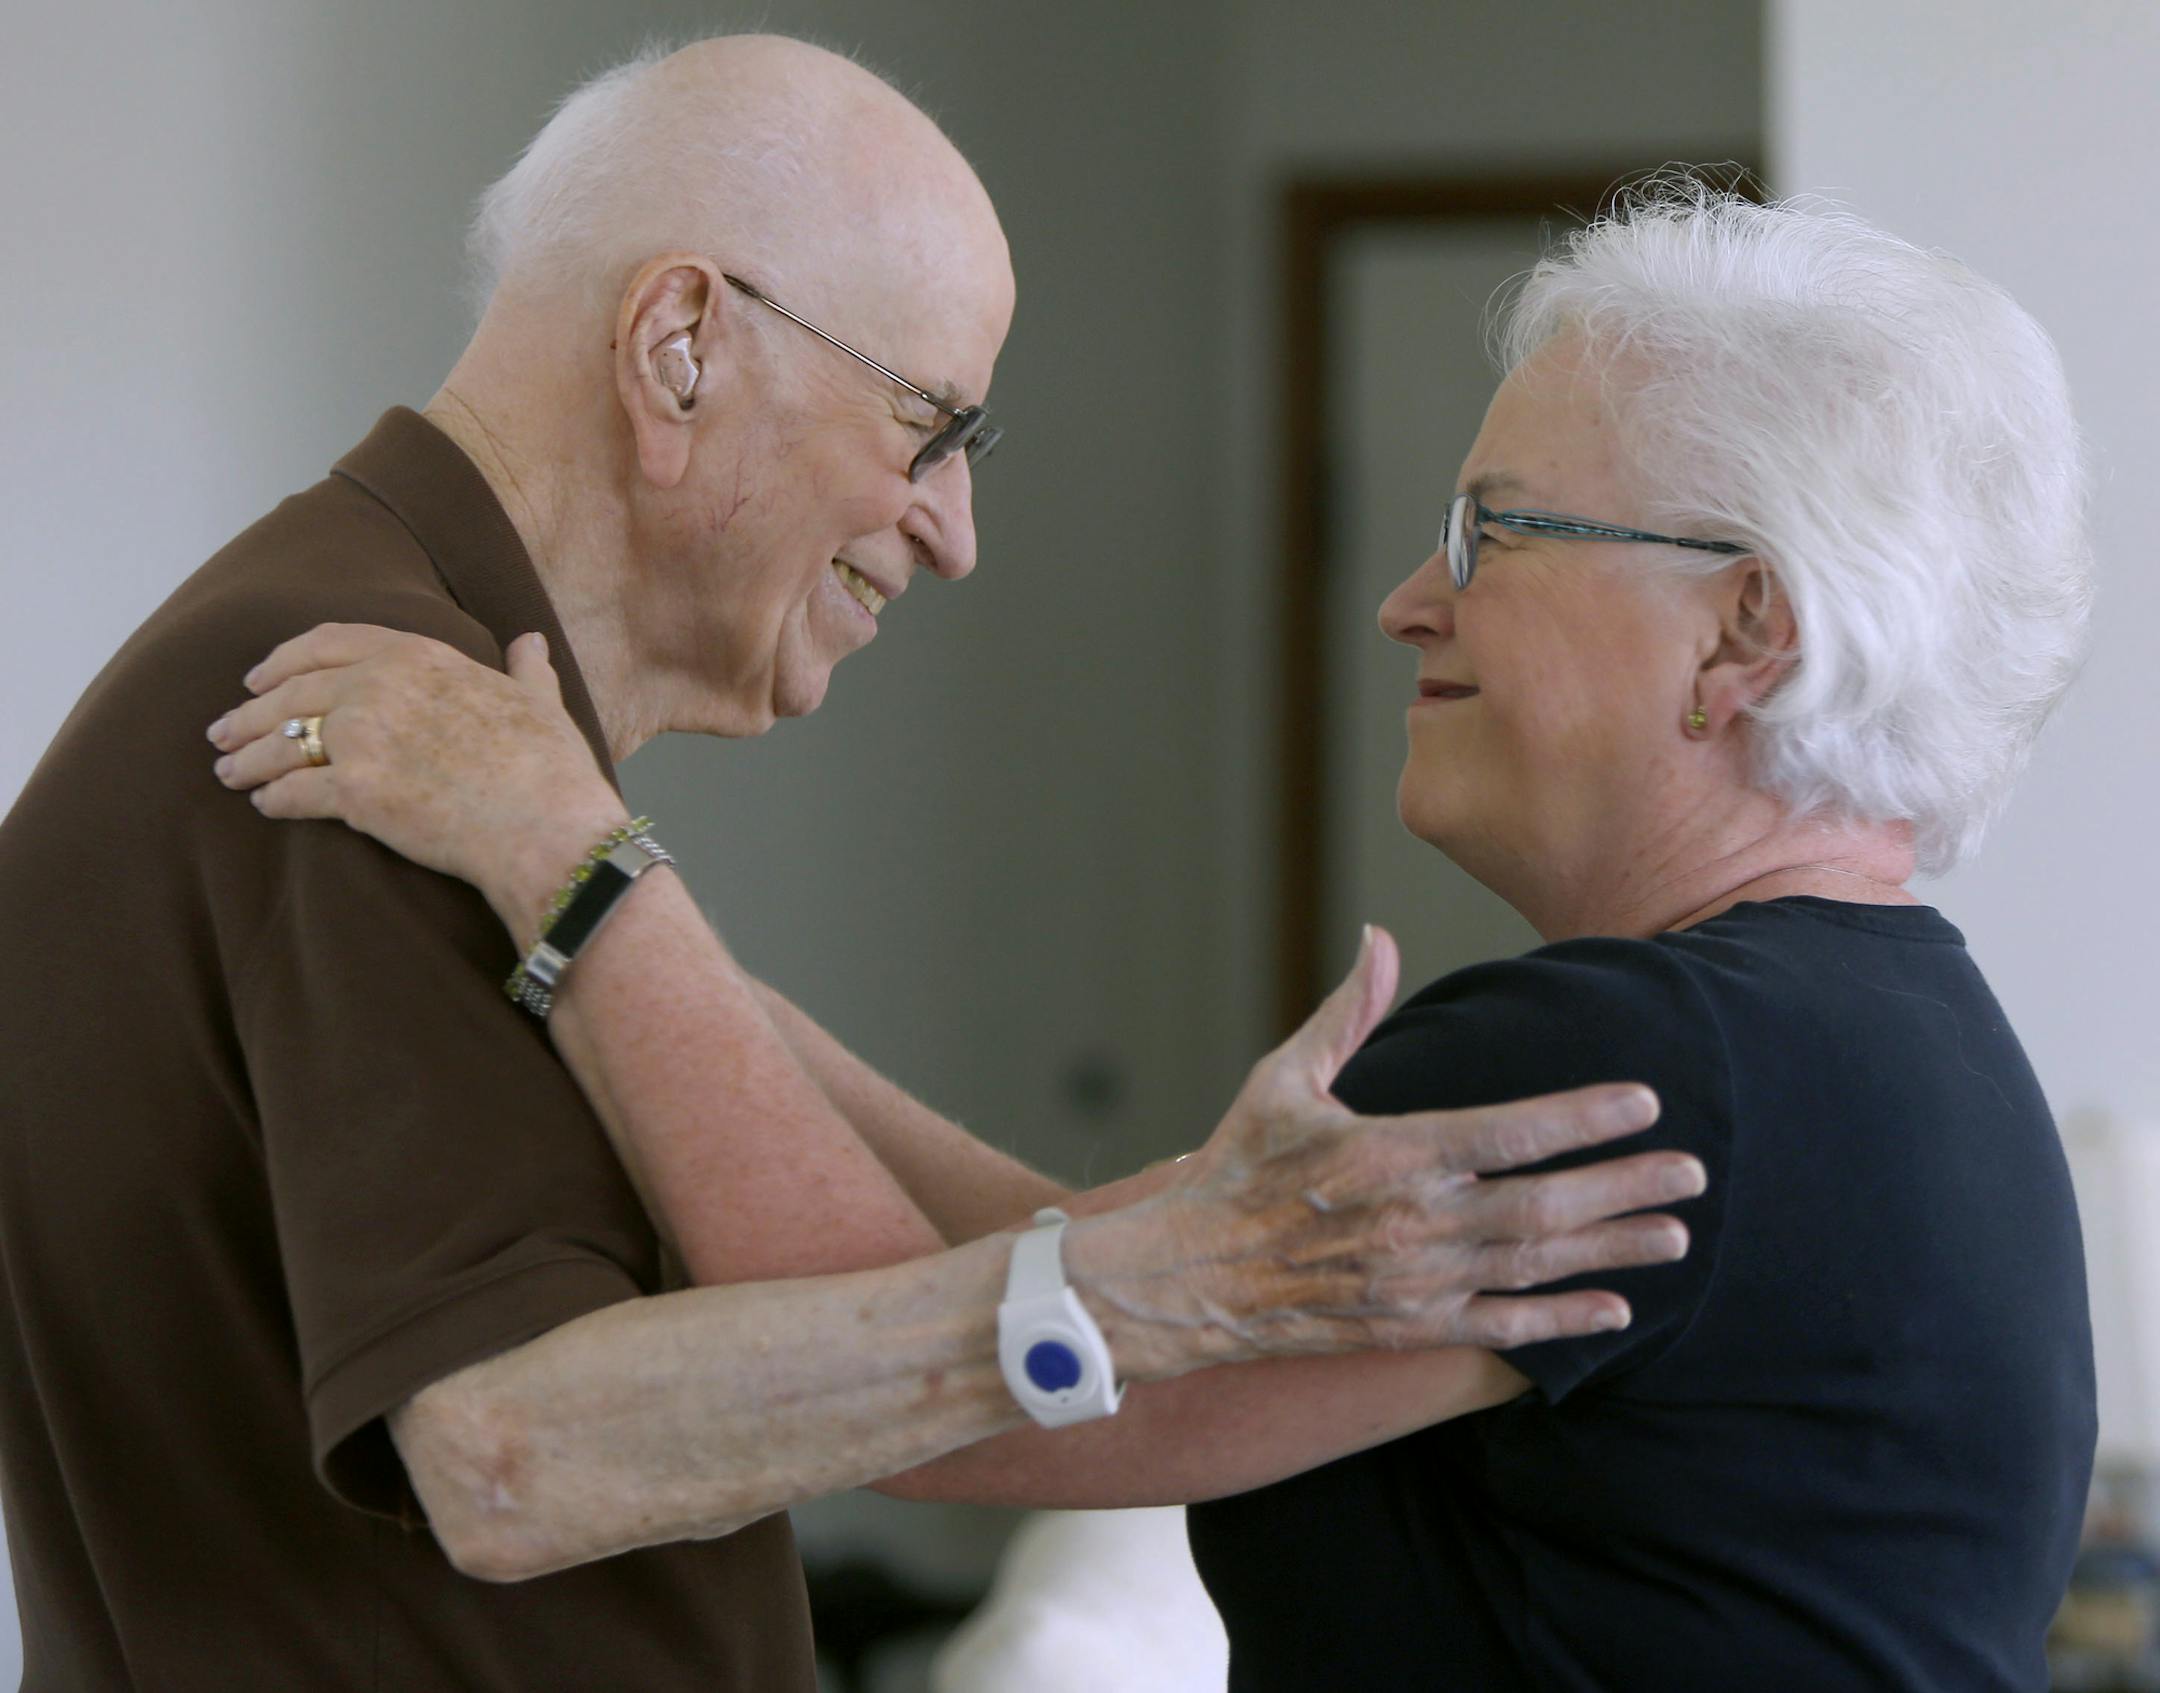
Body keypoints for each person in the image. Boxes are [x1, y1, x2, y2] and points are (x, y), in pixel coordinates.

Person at [215, 182, 2102, 1689]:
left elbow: (939, 1383)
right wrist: (696, 977)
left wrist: (571, 858)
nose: (1402, 604)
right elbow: (1085, 1278)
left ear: (1747, 629)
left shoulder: (1633, 1067)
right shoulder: (1876, 1044)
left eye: (1489, 534)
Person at [0, 36, 1705, 1692]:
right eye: (932, 428)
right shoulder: (362, 730)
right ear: (680, 346)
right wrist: (1156, 1284)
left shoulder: (472, 765)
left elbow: (871, 1247)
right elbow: (507, 1452)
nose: (956, 534)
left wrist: (1214, 1237)